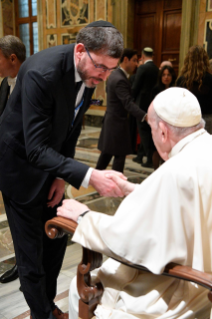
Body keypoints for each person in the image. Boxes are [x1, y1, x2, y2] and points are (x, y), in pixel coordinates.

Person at [0, 20, 125, 319]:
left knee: (55, 240)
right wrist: (90, 175)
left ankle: (45, 305)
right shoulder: (42, 73)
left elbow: (71, 128)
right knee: (31, 251)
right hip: (19, 167)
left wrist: (60, 175)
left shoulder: (87, 73)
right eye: (101, 67)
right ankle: (41, 313)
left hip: (49, 167)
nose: (104, 76)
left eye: (110, 69)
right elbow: (34, 148)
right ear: (80, 50)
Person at [58, 87, 212, 319]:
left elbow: (132, 240)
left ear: (162, 131)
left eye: (150, 128)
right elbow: (187, 199)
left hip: (181, 289)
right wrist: (136, 189)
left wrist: (84, 218)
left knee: (79, 288)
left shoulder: (172, 172)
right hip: (205, 277)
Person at [0, 35, 26, 284]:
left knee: (28, 224)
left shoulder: (30, 84)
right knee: (13, 219)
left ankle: (28, 265)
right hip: (6, 169)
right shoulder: (5, 84)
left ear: (12, 58)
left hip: (25, 170)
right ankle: (20, 262)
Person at [96, 48, 146, 173]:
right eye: (134, 60)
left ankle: (96, 178)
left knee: (107, 153)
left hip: (112, 121)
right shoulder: (120, 79)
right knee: (119, 155)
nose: (137, 64)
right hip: (117, 124)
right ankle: (115, 186)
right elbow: (128, 103)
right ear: (125, 59)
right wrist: (145, 116)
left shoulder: (115, 75)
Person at [132, 47, 158, 167]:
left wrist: (130, 99)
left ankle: (149, 159)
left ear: (142, 56)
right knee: (147, 130)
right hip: (153, 103)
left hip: (141, 104)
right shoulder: (156, 69)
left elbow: (136, 87)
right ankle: (140, 156)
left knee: (143, 131)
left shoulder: (142, 68)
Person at [176, 45, 212, 134]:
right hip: (208, 118)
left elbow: (178, 103)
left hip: (188, 119)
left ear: (188, 59)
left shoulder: (182, 80)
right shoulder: (210, 79)